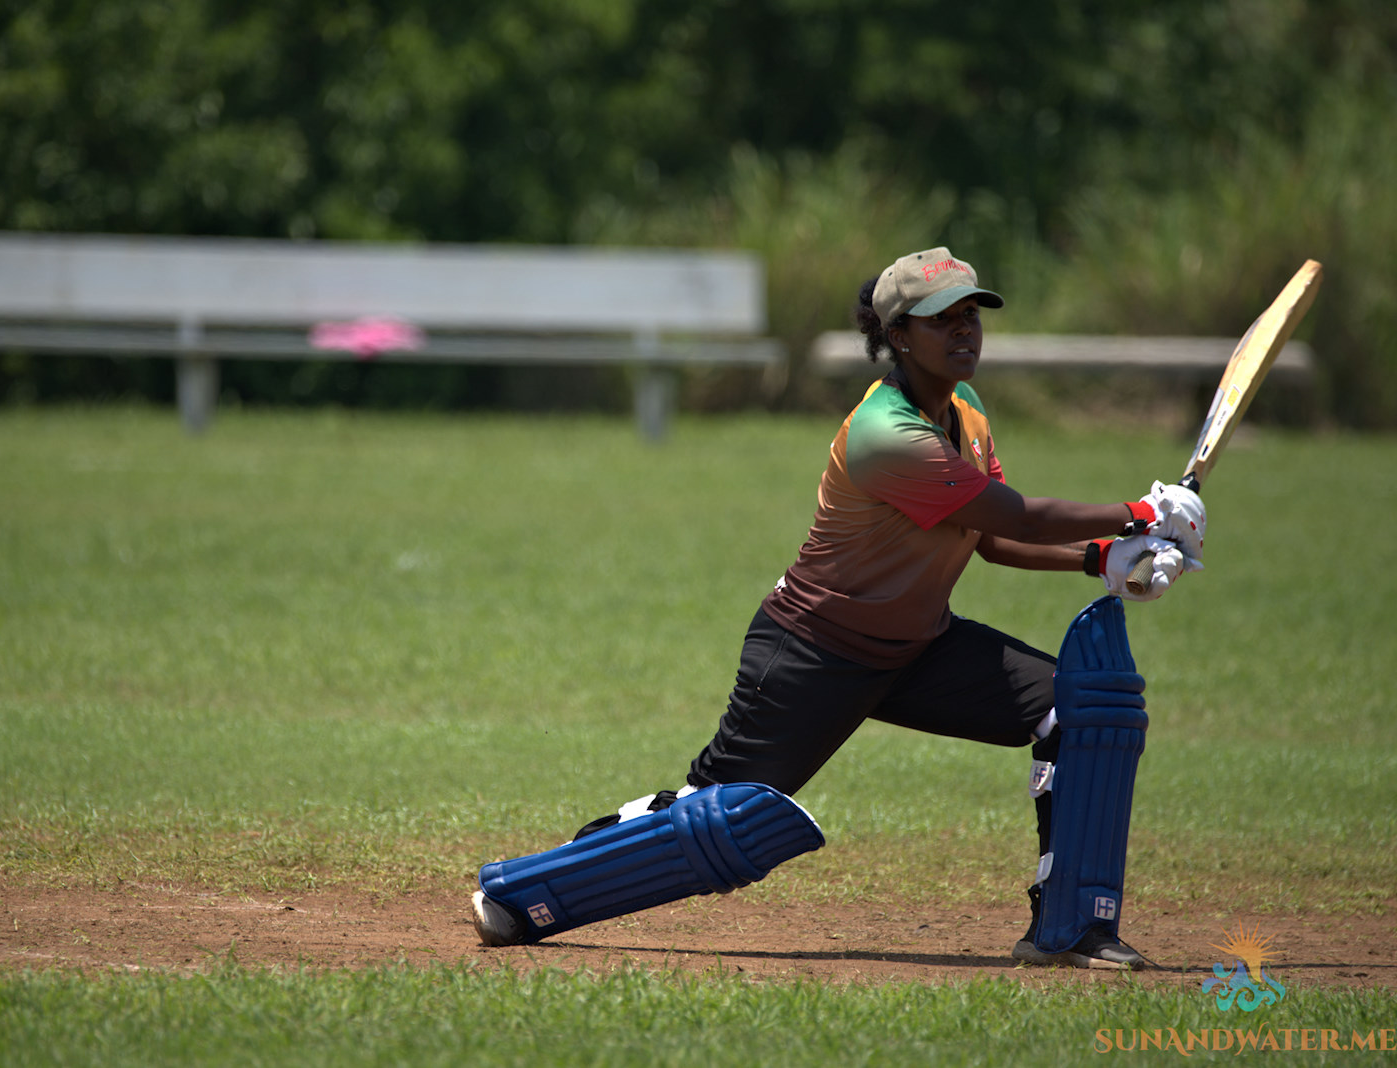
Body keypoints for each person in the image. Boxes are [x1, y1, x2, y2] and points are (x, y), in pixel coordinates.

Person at [472, 247, 1204, 969]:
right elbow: (1013, 514)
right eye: (941, 318)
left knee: (1081, 711)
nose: (964, 330)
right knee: (714, 817)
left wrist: (1101, 558)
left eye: (972, 314)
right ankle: (529, 890)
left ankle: (1070, 927)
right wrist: (1142, 513)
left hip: (920, 648)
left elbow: (987, 540)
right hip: (813, 652)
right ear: (898, 336)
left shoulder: (967, 412)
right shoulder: (887, 434)